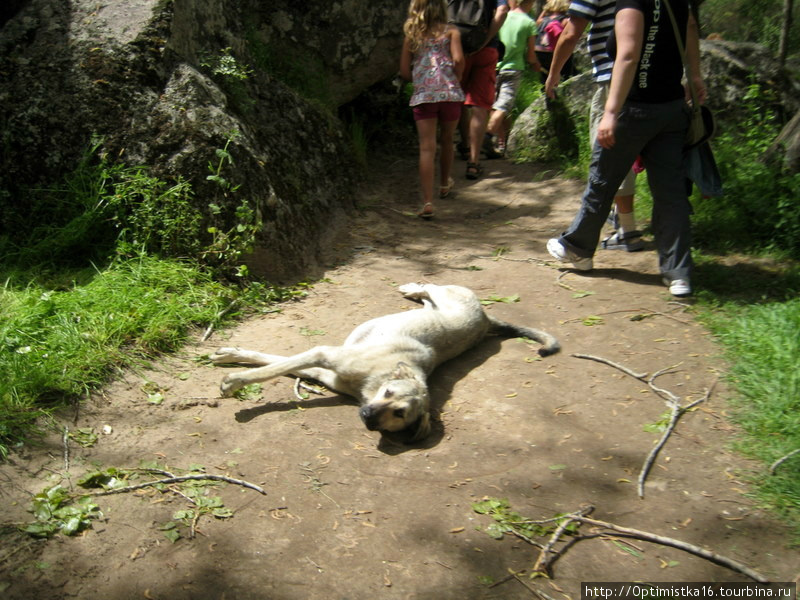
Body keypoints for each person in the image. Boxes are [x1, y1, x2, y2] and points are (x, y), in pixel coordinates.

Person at [546, 0, 705, 297]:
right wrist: (695, 76)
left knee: (603, 180)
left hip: (634, 108)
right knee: (670, 192)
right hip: (671, 108)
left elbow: (629, 55)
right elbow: (691, 28)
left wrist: (610, 112)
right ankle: (678, 273)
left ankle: (579, 249)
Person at [545, 0, 643, 252]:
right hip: (652, 77)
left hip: (616, 75)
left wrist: (553, 73)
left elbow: (571, 32)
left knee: (608, 154)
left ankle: (623, 231)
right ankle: (640, 226)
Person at [400, 0, 466, 219]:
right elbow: (458, 59)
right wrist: (456, 78)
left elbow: (403, 70)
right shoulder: (451, 32)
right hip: (449, 93)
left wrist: (419, 79)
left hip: (424, 95)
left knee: (426, 148)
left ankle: (427, 202)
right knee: (447, 139)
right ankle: (445, 183)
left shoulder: (412, 33)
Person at [451, 0, 509, 179]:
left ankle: (465, 144)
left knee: (458, 97)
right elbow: (503, 10)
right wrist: (484, 40)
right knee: (479, 105)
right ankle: (473, 163)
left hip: (457, 46)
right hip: (486, 49)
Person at [485, 0, 543, 158]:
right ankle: (487, 135)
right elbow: (531, 56)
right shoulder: (529, 23)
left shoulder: (500, 17)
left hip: (494, 65)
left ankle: (501, 142)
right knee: (503, 106)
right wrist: (536, 65)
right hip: (514, 69)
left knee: (496, 107)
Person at [534, 0, 574, 85]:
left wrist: (547, 7)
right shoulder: (565, 21)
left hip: (539, 52)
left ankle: (545, 91)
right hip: (553, 53)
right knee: (565, 72)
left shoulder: (541, 20)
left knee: (544, 76)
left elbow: (538, 20)